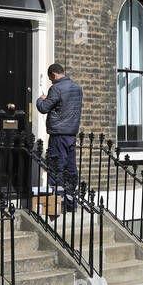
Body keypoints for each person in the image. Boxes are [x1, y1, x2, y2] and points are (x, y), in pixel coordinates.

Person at [35, 62, 82, 213]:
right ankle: (71, 202)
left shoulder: (56, 88)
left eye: (50, 78)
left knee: (56, 168)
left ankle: (56, 204)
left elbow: (43, 108)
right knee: (71, 169)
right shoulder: (77, 88)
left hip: (58, 135)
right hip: (71, 134)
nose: (51, 81)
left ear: (53, 75)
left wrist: (41, 99)